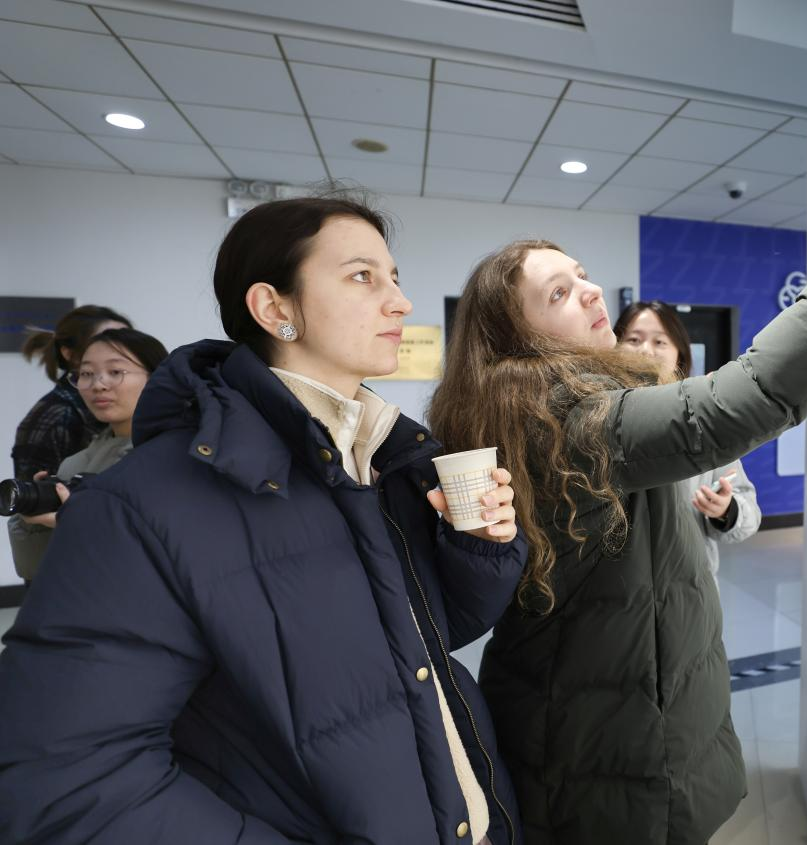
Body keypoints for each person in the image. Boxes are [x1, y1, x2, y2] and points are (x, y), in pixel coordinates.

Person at [428, 98, 807, 844]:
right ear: (517, 341)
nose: (591, 290)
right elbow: (737, 403)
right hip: (599, 745)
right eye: (559, 294)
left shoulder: (585, 404)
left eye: (581, 275)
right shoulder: (562, 419)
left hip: (633, 715)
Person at [0, 197, 528, 845]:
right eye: (363, 276)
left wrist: (477, 546)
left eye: (394, 278)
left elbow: (425, 638)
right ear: (275, 308)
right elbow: (70, 784)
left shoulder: (383, 462)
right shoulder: (141, 505)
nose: (400, 302)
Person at [613, 300, 761, 585]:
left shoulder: (703, 417)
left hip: (689, 586)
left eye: (660, 341)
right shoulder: (596, 414)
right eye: (633, 340)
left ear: (679, 354)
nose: (646, 350)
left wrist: (726, 510)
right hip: (619, 588)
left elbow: (749, 513)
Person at [8, 328, 168, 580]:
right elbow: (35, 569)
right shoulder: (74, 465)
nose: (98, 385)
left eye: (115, 372)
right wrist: (33, 520)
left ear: (156, 377)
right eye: (86, 374)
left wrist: (83, 522)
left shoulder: (175, 455)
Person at [11, 305, 131, 482]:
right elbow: (32, 494)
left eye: (127, 343)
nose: (122, 352)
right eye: (105, 342)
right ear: (70, 354)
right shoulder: (56, 417)